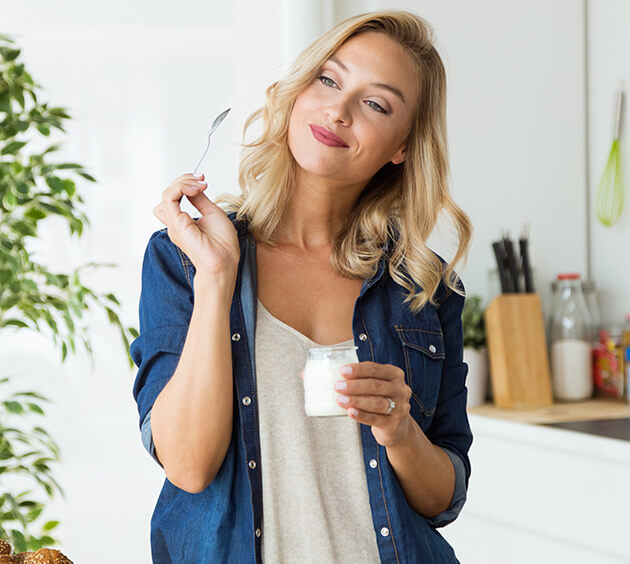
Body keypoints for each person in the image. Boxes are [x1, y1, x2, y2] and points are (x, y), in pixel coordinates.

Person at [131, 9, 473, 564]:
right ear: (297, 91)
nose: (337, 111)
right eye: (328, 80)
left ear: (402, 146)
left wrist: (400, 430)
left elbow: (444, 497)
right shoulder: (185, 260)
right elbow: (189, 467)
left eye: (375, 103)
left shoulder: (424, 287)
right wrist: (219, 277)